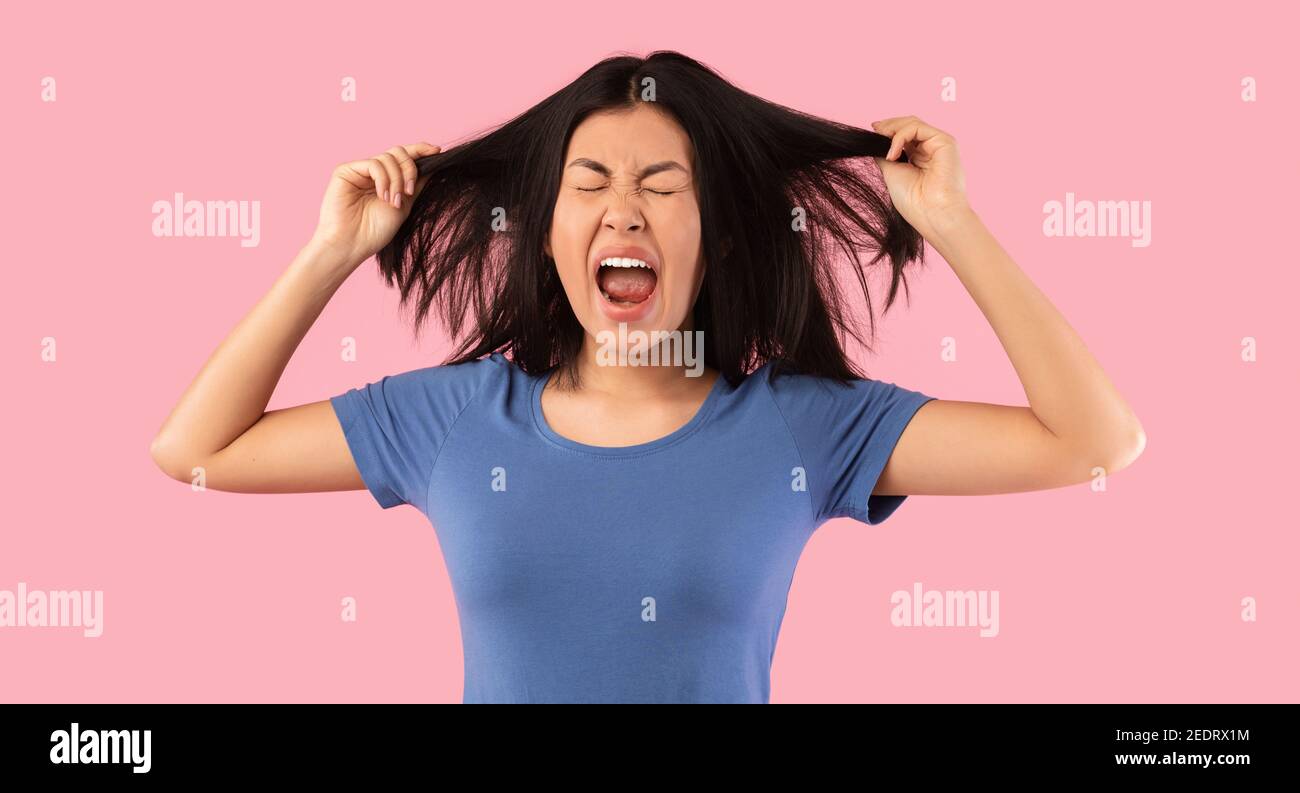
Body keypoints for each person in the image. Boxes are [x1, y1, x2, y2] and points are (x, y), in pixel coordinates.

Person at [150, 52, 1144, 703]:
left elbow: (1090, 443)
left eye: (663, 187)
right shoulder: (452, 417)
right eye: (589, 184)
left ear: (713, 240)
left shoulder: (804, 430)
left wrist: (953, 223)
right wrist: (332, 251)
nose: (622, 211)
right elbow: (197, 449)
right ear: (547, 234)